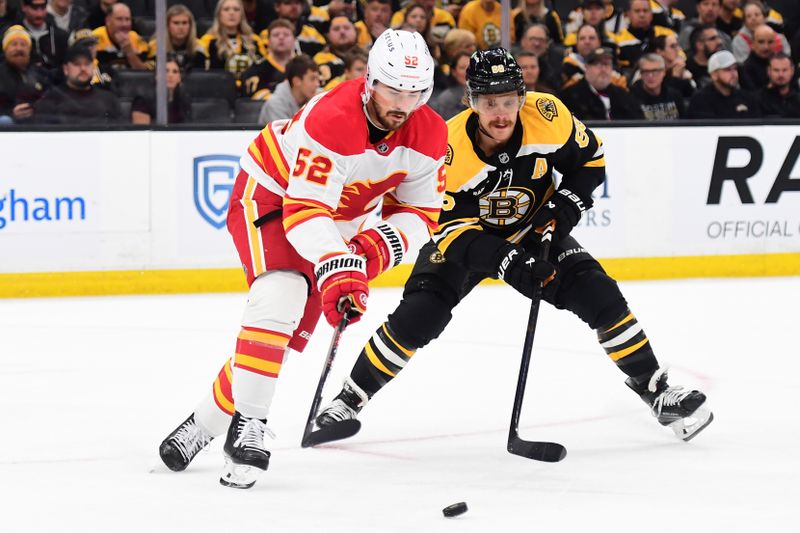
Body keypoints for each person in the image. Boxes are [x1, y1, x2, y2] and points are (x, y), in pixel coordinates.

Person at [314, 48, 713, 447]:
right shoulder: (448, 148)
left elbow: (590, 160)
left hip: (532, 229)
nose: (501, 113)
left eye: (508, 101)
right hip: (465, 240)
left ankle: (657, 391)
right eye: (489, 102)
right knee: (422, 313)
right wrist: (508, 261)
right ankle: (348, 400)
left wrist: (561, 210)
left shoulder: (548, 117)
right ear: (471, 100)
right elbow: (450, 232)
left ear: (522, 98)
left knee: (599, 293)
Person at [158, 29, 448, 489]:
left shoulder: (430, 132)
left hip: (337, 219)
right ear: (370, 81)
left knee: (279, 343)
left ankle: (203, 425)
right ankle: (249, 425)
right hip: (272, 196)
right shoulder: (332, 117)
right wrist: (340, 267)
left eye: (415, 92)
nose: (403, 103)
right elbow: (304, 211)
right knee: (281, 295)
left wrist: (369, 253)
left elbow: (420, 212)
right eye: (394, 89)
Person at [33, 43, 122, 123]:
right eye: (77, 64)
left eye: (87, 64)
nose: (83, 68)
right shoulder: (51, 100)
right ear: (66, 69)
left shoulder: (109, 100)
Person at [558, 46, 644, 120]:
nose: (603, 69)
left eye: (606, 64)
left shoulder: (624, 96)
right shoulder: (569, 97)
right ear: (586, 67)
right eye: (597, 64)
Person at [198, 0, 266, 80]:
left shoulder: (255, 40)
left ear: (242, 14)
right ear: (219, 14)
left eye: (236, 9)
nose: (232, 13)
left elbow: (264, 68)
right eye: (226, 9)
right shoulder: (207, 41)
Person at [686, 49, 760, 118]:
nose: (734, 73)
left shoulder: (747, 98)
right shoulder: (700, 100)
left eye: (735, 69)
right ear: (714, 75)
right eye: (727, 70)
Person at [0, 25, 50, 124]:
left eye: (23, 45)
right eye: (14, 44)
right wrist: (11, 113)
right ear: (5, 50)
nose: (19, 48)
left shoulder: (40, 73)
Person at [613, 0, 675, 73]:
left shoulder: (667, 34)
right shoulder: (617, 39)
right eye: (637, 11)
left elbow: (680, 57)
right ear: (628, 15)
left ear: (651, 14)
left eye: (645, 11)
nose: (642, 15)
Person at [241, 17, 296, 99]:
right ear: (269, 41)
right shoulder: (255, 70)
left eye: (286, 34)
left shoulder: (304, 67)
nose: (281, 38)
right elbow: (254, 98)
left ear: (294, 40)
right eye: (276, 35)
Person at [255, 53, 317, 123]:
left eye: (317, 79)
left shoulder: (314, 99)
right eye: (312, 79)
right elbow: (287, 133)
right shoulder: (275, 105)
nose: (317, 84)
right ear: (296, 81)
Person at [146, 4, 207, 71]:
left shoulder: (199, 47)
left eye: (184, 23)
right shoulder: (156, 46)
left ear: (190, 26)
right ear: (168, 26)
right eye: (176, 23)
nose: (180, 27)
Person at [130, 58, 191, 123]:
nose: (170, 75)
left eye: (175, 72)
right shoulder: (143, 99)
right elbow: (142, 131)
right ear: (157, 76)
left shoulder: (184, 97)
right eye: (166, 71)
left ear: (179, 78)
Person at [92, 2, 149, 71]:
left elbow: (144, 74)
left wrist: (129, 52)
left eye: (127, 19)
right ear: (108, 21)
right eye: (119, 19)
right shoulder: (94, 39)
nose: (124, 24)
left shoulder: (136, 39)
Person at [629, 53, 685, 119]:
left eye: (655, 71)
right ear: (640, 74)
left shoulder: (675, 96)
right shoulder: (631, 98)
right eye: (646, 71)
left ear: (664, 72)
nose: (650, 76)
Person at [20, 0, 69, 72]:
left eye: (43, 8)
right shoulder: (14, 37)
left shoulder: (60, 36)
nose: (39, 14)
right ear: (24, 7)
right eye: (34, 8)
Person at [313, 16, 360, 88]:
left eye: (347, 28)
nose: (342, 32)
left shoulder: (369, 56)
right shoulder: (319, 59)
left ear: (356, 32)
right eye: (336, 29)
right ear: (328, 35)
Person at [429, 50, 469, 118]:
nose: (467, 71)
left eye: (470, 67)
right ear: (454, 72)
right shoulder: (447, 99)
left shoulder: (483, 94)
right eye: (462, 68)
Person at [758, 52, 800, 117]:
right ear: (769, 71)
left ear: (792, 71)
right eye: (776, 70)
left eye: (785, 70)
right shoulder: (757, 100)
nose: (780, 74)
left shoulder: (798, 100)